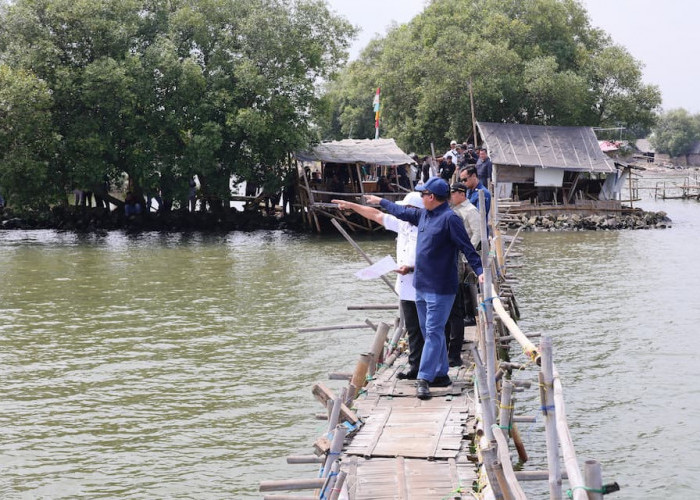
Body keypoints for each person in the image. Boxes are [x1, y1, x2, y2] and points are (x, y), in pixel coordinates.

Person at [365, 177, 484, 400]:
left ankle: (424, 377)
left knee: (433, 330)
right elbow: (399, 212)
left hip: (441, 287)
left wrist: (480, 271)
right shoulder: (423, 215)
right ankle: (440, 373)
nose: (420, 197)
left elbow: (467, 248)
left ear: (431, 197)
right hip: (421, 285)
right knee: (431, 331)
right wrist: (379, 200)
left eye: (422, 194)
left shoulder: (451, 219)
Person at [332, 192, 425, 381]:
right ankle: (415, 366)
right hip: (406, 287)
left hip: (424, 286)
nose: (401, 212)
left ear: (414, 210)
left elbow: (436, 258)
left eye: (405, 209)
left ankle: (428, 368)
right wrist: (352, 205)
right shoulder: (403, 225)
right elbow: (375, 215)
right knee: (414, 329)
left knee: (428, 329)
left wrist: (412, 268)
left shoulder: (428, 227)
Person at [444, 182, 482, 366]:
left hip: (464, 255)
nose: (450, 196)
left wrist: (468, 252)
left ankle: (457, 339)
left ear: (461, 193)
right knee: (461, 292)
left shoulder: (470, 210)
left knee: (464, 291)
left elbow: (477, 233)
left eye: (453, 193)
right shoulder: (454, 210)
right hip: (458, 255)